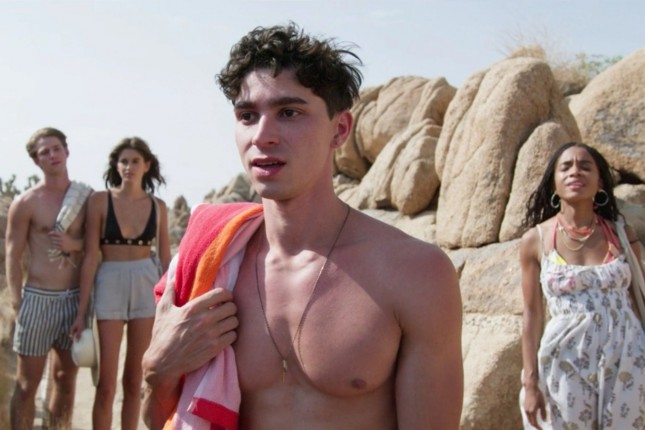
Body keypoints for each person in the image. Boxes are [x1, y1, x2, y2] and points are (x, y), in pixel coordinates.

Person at [141, 22, 463, 430]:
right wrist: (157, 371)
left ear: (339, 130)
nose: (262, 136)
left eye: (289, 113)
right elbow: (157, 420)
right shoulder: (211, 265)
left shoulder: (415, 273)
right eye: (247, 115)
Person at [519, 142, 645, 429]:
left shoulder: (622, 235)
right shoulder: (535, 240)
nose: (575, 172)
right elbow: (531, 314)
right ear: (554, 184)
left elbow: (639, 299)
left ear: (600, 182)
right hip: (564, 357)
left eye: (585, 167)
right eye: (566, 167)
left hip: (628, 354)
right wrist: (530, 382)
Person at [74, 137, 171, 430]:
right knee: (105, 383)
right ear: (116, 166)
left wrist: (172, 305)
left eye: (135, 161)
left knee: (134, 381)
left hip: (145, 283)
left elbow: (166, 259)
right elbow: (90, 256)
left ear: (147, 165)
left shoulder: (158, 206)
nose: (129, 166)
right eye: (124, 161)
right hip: (109, 281)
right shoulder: (100, 201)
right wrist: (81, 312)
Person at [7, 127, 91, 429]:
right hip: (38, 299)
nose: (52, 155)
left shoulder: (86, 198)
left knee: (65, 379)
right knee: (27, 384)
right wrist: (18, 303)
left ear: (67, 151)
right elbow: (13, 254)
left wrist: (74, 244)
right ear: (36, 160)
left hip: (74, 301)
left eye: (56, 148)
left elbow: (98, 247)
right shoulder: (26, 202)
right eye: (45, 152)